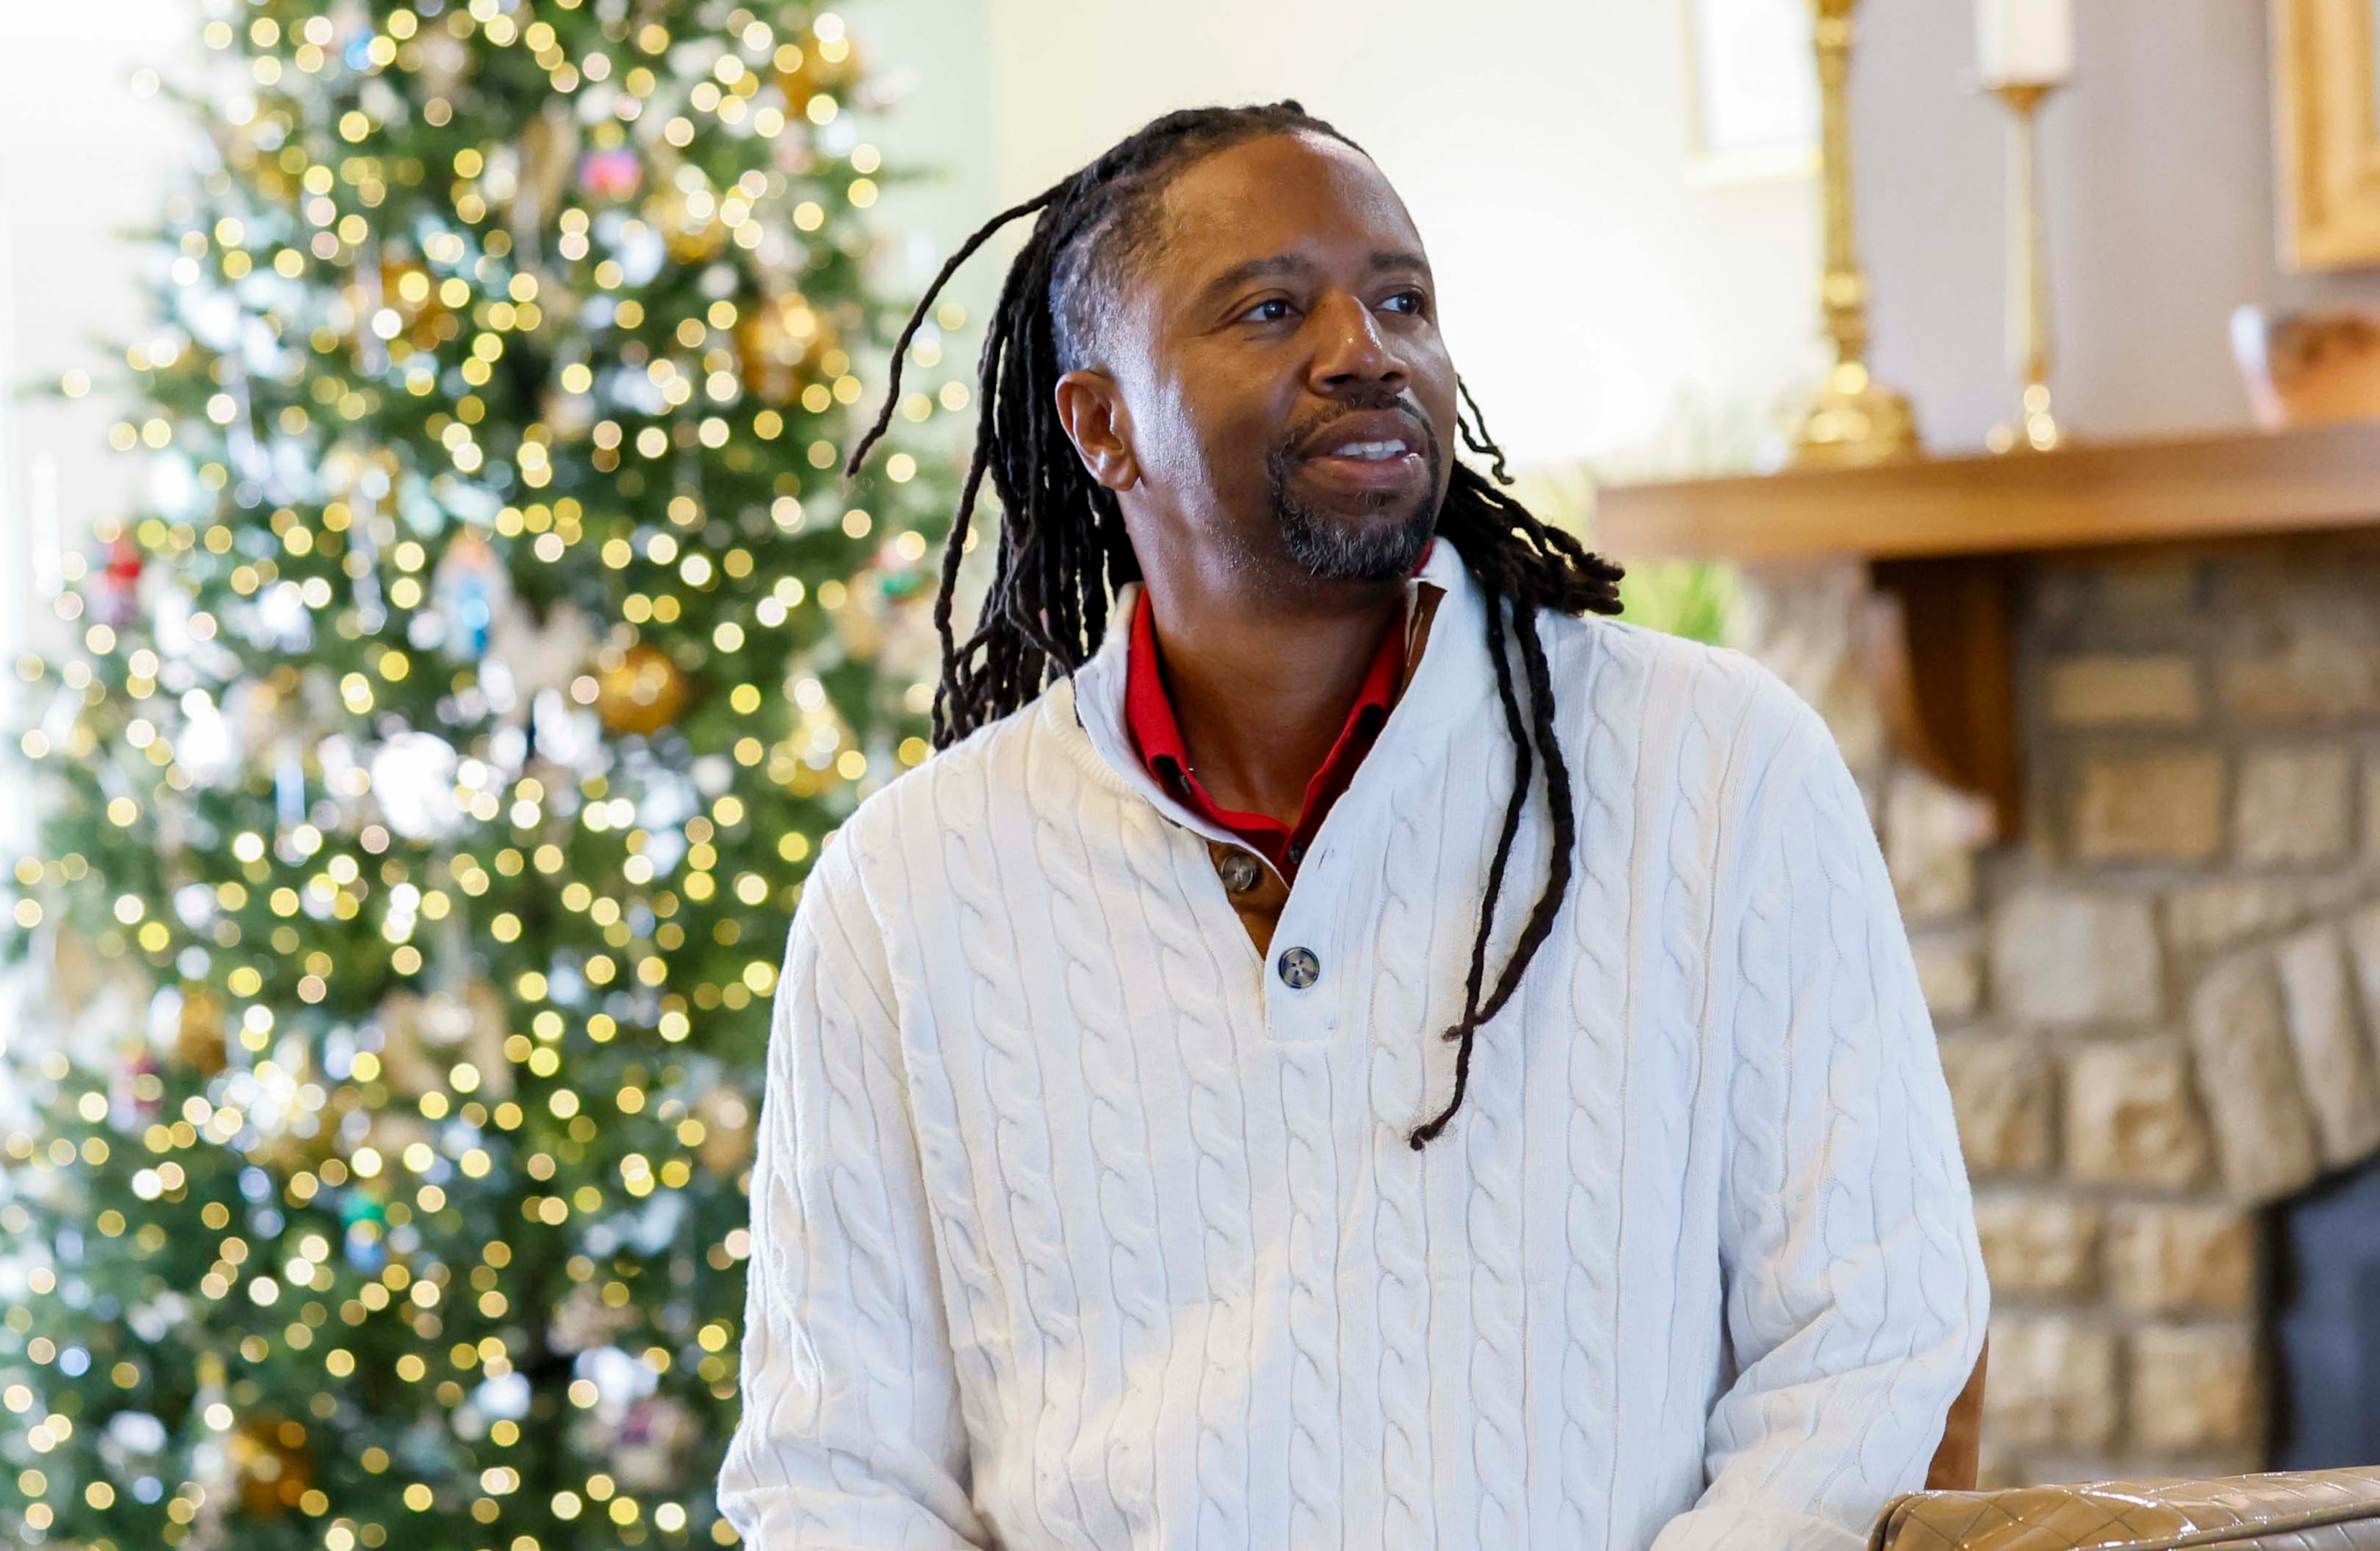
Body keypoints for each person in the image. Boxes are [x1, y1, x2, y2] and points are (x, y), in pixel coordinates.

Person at [715, 102, 1987, 1551]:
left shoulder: (1719, 765)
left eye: (1402, 300)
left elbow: (1871, 1341)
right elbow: (836, 1477)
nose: (1363, 347)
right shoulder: (907, 889)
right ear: (1101, 422)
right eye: (1270, 309)